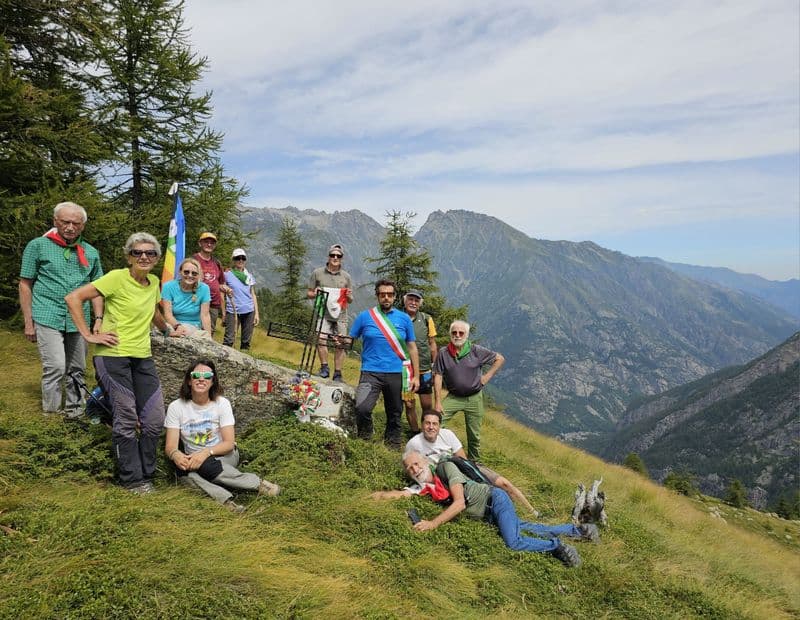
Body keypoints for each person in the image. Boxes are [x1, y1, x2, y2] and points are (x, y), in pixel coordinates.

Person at [65, 232, 174, 494]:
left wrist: (169, 329)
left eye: (150, 253)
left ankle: (147, 474)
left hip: (142, 357)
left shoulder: (154, 281)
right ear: (129, 256)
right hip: (112, 356)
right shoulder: (116, 277)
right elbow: (74, 298)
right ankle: (132, 480)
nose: (144, 257)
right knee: (125, 417)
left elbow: (153, 312)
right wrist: (89, 335)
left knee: (154, 419)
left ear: (157, 258)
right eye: (138, 252)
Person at [372, 451, 599, 567]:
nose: (414, 469)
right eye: (409, 467)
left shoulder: (446, 468)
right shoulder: (425, 488)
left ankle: (557, 547)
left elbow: (459, 503)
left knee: (514, 542)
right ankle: (579, 531)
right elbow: (398, 494)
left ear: (425, 462)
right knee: (527, 527)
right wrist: (369, 496)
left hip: (495, 500)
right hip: (491, 514)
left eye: (416, 463)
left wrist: (433, 523)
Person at [19, 202, 104, 418]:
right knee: (56, 366)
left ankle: (75, 412)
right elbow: (25, 283)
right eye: (65, 221)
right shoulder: (38, 246)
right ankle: (52, 415)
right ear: (55, 221)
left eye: (76, 223)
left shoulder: (91, 252)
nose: (70, 227)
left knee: (77, 368)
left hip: (79, 319)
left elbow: (98, 289)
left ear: (83, 225)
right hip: (47, 314)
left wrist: (99, 319)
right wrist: (29, 321)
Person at [165, 359, 281, 512]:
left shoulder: (221, 403)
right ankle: (227, 502)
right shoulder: (176, 407)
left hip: (223, 454)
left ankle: (259, 484)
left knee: (205, 466)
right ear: (189, 380)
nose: (201, 379)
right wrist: (176, 455)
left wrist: (205, 453)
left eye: (207, 375)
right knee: (183, 472)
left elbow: (228, 444)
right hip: (193, 459)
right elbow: (170, 446)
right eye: (196, 375)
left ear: (213, 381)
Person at [405, 409, 538, 514]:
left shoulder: (447, 434)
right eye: (427, 423)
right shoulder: (414, 444)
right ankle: (505, 510)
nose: (431, 427)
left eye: (435, 424)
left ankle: (531, 511)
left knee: (504, 483)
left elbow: (462, 458)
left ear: (439, 426)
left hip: (463, 467)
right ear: (422, 424)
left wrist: (471, 475)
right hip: (445, 477)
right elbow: (411, 467)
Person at [349, 279, 420, 448]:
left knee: (395, 412)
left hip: (397, 373)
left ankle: (392, 444)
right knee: (362, 408)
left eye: (389, 295)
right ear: (377, 296)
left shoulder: (404, 319)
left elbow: (412, 348)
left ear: (394, 297)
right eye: (382, 295)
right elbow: (349, 339)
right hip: (370, 372)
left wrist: (416, 376)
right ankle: (365, 438)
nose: (386, 298)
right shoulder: (364, 317)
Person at [433, 320, 505, 461]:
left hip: (474, 398)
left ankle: (475, 462)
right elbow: (438, 375)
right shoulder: (443, 353)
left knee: (474, 434)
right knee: (435, 422)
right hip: (453, 397)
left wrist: (486, 377)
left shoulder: (475, 350)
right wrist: (438, 401)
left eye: (461, 333)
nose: (457, 335)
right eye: (454, 332)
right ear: (450, 334)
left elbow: (500, 359)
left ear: (466, 335)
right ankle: (437, 453)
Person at [307, 243, 353, 381]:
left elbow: (350, 299)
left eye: (338, 256)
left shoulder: (346, 277)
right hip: (323, 312)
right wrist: (314, 293)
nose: (335, 257)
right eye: (332, 255)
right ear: (328, 256)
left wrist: (349, 295)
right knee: (321, 338)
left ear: (342, 258)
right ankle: (324, 368)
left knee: (341, 342)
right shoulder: (317, 273)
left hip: (341, 314)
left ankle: (338, 373)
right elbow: (309, 293)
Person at [401, 290, 438, 434]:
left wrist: (434, 366)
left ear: (420, 304)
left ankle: (426, 432)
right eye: (410, 299)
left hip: (425, 371)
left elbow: (432, 344)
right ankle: (415, 433)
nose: (413, 303)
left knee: (427, 405)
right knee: (409, 404)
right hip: (405, 371)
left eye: (416, 301)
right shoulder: (398, 318)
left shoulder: (427, 319)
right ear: (405, 301)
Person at [160, 257, 212, 335]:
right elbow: (168, 314)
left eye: (194, 273)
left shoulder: (204, 288)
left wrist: (209, 336)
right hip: (173, 323)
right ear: (180, 272)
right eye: (186, 272)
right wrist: (178, 326)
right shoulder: (168, 286)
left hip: (193, 326)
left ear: (198, 275)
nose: (190, 275)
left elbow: (205, 315)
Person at [193, 232, 232, 336]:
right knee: (195, 331)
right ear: (200, 243)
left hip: (213, 304)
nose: (209, 245)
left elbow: (219, 284)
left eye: (212, 243)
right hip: (196, 302)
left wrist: (223, 312)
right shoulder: (193, 260)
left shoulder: (217, 263)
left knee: (209, 332)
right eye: (206, 242)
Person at [223, 248, 259, 350]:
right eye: (238, 258)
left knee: (246, 341)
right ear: (233, 260)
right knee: (229, 340)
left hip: (249, 311)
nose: (240, 260)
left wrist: (256, 314)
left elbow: (253, 294)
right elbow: (222, 291)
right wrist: (223, 312)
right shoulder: (227, 275)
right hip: (233, 310)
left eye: (243, 258)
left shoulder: (249, 276)